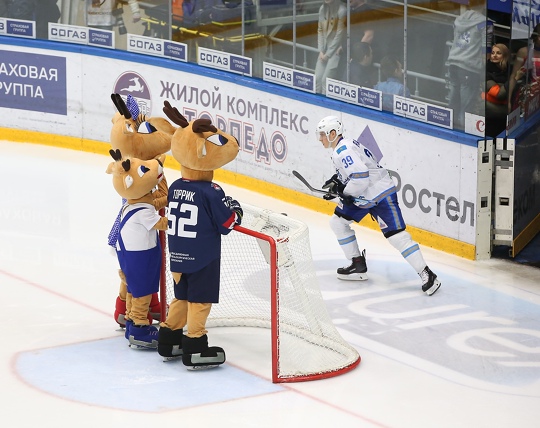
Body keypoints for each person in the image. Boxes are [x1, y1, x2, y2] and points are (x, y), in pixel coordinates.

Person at [316, 115, 442, 296]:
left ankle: (427, 274)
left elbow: (361, 177)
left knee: (397, 237)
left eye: (322, 134)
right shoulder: (347, 145)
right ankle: (357, 264)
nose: (320, 138)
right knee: (338, 222)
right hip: (363, 195)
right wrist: (338, 182)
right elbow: (359, 171)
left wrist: (345, 192)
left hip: (380, 194)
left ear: (333, 133)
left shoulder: (342, 151)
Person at [446, 5, 492, 129]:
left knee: (453, 103)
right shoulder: (486, 23)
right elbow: (486, 52)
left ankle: (449, 130)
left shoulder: (458, 19)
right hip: (470, 68)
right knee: (467, 109)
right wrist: (484, 71)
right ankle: (464, 134)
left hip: (453, 64)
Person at [315, 0, 347, 94]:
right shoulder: (322, 8)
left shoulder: (342, 11)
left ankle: (324, 102)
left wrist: (328, 54)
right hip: (323, 50)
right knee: (317, 78)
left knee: (326, 80)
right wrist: (321, 51)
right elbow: (320, 30)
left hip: (335, 51)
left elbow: (339, 35)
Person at [509, 23, 540, 116]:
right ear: (536, 36)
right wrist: (508, 100)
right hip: (529, 95)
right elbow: (514, 76)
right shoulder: (524, 52)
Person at [483, 43, 510, 137]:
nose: (494, 55)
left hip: (504, 117)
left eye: (498, 53)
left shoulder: (508, 71)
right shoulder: (486, 71)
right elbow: (499, 94)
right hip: (490, 114)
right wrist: (513, 79)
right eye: (493, 53)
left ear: (505, 55)